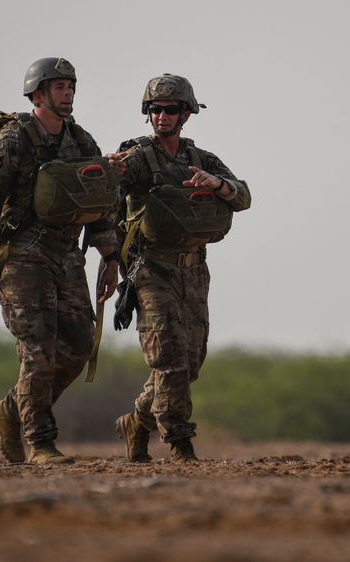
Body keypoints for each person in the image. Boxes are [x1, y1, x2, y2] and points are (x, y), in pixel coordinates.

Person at [0, 57, 120, 464]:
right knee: (38, 349)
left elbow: (101, 201)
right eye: (59, 87)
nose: (68, 93)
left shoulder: (82, 141)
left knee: (78, 345)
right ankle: (40, 441)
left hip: (68, 256)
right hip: (23, 256)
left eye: (71, 86)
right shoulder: (12, 141)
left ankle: (11, 409)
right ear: (37, 94)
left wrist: (111, 259)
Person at [108, 73, 251, 464]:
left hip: (194, 269)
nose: (161, 116)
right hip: (152, 269)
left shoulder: (200, 158)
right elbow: (111, 191)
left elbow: (243, 195)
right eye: (155, 109)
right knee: (167, 358)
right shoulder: (137, 157)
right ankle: (180, 442)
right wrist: (111, 172)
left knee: (189, 363)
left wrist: (216, 184)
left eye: (170, 109)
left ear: (185, 113)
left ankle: (137, 421)